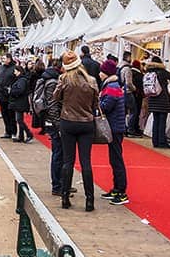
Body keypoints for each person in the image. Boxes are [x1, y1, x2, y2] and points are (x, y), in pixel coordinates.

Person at [54, 50, 98, 212]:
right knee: (86, 161)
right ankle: (89, 200)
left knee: (68, 161)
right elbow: (95, 103)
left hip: (68, 122)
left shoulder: (64, 80)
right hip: (86, 123)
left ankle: (65, 197)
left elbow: (55, 97)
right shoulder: (91, 80)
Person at [98, 58, 129, 206]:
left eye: (101, 71)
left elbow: (105, 106)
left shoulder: (111, 87)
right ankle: (116, 188)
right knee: (114, 158)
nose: (99, 74)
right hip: (116, 126)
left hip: (115, 127)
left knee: (117, 159)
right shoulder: (113, 85)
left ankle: (121, 191)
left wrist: (97, 104)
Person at [38, 58, 68, 196]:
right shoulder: (52, 82)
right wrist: (58, 124)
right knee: (58, 153)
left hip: (53, 121)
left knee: (60, 153)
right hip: (54, 123)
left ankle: (61, 182)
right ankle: (57, 185)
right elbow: (52, 105)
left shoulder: (51, 79)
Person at [145, 55, 170, 149]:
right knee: (162, 122)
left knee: (156, 121)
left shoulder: (148, 72)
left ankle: (155, 141)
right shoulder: (162, 72)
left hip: (152, 99)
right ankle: (162, 142)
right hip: (162, 100)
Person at [8, 65, 33, 143]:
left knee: (19, 120)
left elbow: (20, 90)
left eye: (15, 71)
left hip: (20, 102)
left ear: (19, 71)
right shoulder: (21, 80)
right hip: (19, 102)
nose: (14, 72)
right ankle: (21, 136)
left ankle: (29, 134)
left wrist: (11, 91)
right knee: (19, 119)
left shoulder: (21, 80)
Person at [117, 51, 138, 139]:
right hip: (128, 92)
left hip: (120, 91)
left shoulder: (119, 66)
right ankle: (130, 130)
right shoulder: (127, 69)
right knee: (133, 111)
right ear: (128, 57)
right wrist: (134, 88)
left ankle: (123, 129)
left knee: (124, 111)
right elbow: (128, 82)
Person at [0, 54, 17, 139]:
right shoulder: (1, 68)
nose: (3, 59)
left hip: (10, 95)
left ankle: (13, 132)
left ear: (9, 59)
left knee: (11, 114)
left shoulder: (14, 68)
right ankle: (7, 131)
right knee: (4, 114)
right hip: (2, 95)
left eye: (4, 58)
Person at [126, 59, 145, 137]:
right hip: (137, 95)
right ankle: (133, 129)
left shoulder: (130, 72)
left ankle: (131, 128)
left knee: (131, 112)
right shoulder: (140, 75)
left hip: (130, 94)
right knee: (135, 112)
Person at [29, 59, 46, 133]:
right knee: (43, 110)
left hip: (35, 93)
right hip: (43, 94)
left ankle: (38, 124)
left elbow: (30, 84)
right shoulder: (45, 74)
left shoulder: (33, 74)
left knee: (36, 109)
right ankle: (43, 126)